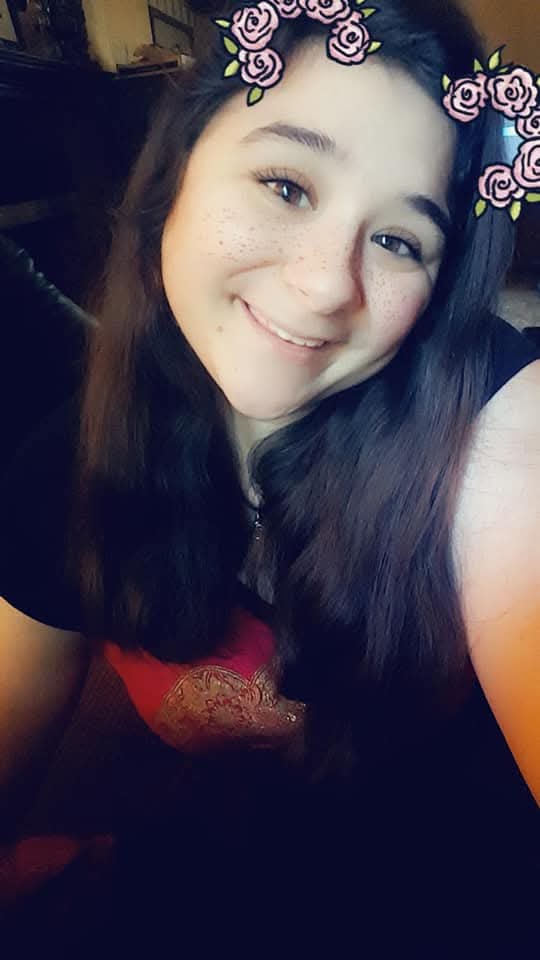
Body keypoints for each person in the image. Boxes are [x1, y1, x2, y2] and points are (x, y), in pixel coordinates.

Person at [1, 0, 539, 943]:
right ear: (174, 175)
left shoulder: (495, 413)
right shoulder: (65, 468)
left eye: (399, 240)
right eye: (286, 185)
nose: (328, 284)